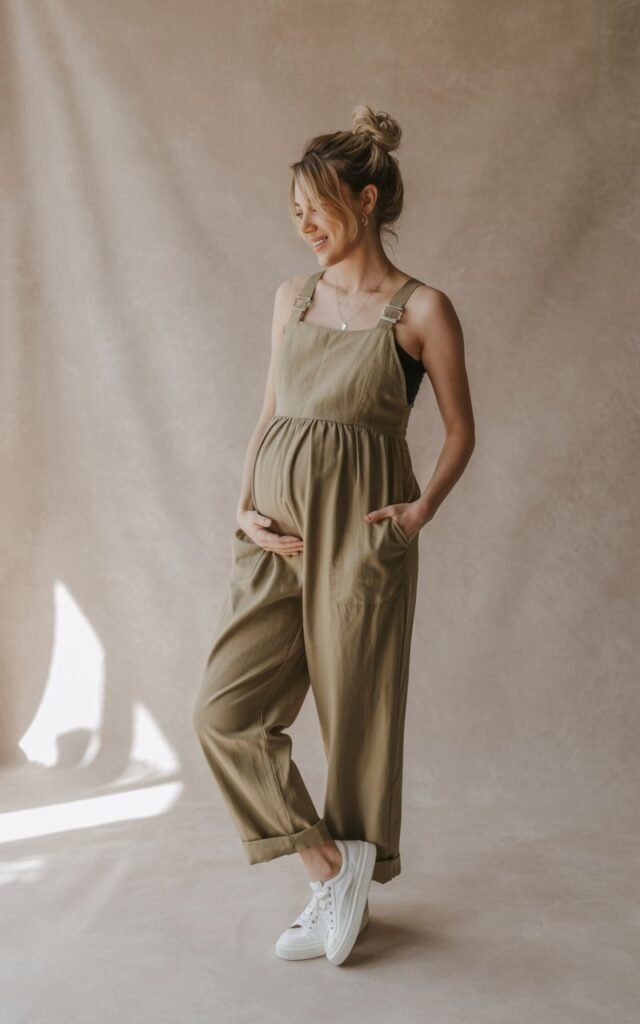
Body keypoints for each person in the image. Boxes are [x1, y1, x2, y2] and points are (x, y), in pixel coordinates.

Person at [192, 104, 475, 964]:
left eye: (315, 208)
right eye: (295, 213)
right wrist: (241, 506)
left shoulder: (423, 310)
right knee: (225, 715)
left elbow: (461, 430)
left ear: (366, 198)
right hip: (274, 533)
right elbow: (269, 413)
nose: (304, 226)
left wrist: (419, 512)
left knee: (358, 716)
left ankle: (345, 885)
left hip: (362, 534)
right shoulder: (294, 296)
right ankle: (328, 868)